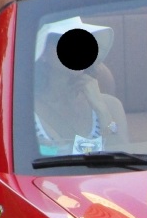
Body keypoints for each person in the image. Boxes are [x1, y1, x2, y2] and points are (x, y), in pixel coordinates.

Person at [33, 19, 129, 157]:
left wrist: (102, 110)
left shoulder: (110, 105)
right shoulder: (27, 113)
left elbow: (125, 159)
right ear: (43, 54)